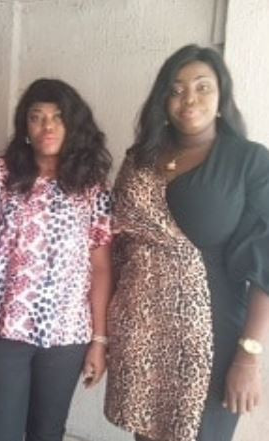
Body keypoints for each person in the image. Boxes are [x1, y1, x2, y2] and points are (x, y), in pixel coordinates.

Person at [105, 44, 269, 441]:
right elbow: (117, 243)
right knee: (145, 431)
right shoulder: (139, 159)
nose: (189, 99)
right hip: (141, 327)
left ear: (221, 96)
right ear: (163, 100)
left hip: (210, 334)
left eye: (202, 87)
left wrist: (249, 355)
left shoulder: (247, 160)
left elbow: (265, 261)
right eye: (176, 90)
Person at [0, 78, 113, 441]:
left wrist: (99, 340)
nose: (47, 126)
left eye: (58, 117)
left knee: (47, 433)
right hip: (1, 327)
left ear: (73, 124)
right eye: (37, 117)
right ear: (25, 126)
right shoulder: (0, 174)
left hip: (67, 334)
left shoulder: (92, 185)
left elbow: (102, 267)